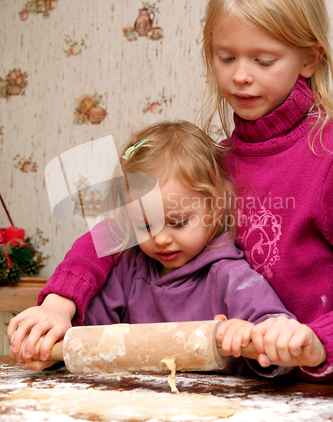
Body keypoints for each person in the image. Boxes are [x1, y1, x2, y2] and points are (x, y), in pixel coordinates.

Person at [8, 0, 332, 380]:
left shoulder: (325, 159)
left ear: (310, 58)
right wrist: (59, 302)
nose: (240, 76)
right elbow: (114, 232)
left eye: (264, 60)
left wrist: (317, 342)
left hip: (315, 391)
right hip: (248, 389)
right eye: (226, 57)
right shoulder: (215, 164)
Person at [9, 120, 320, 377]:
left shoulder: (230, 276)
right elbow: (87, 336)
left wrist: (253, 336)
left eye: (178, 222)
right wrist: (54, 347)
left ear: (213, 209)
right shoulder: (129, 271)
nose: (160, 239)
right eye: (145, 225)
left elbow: (280, 340)